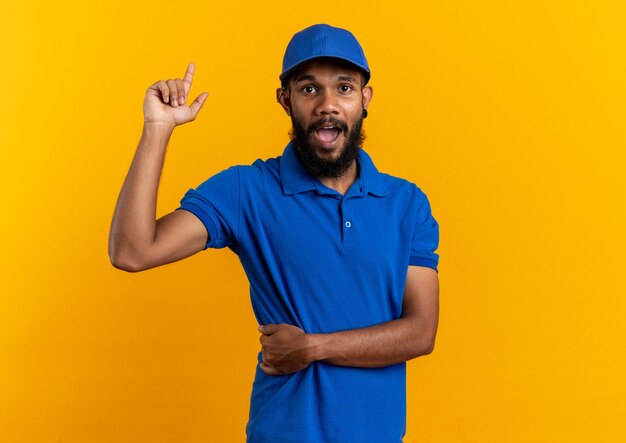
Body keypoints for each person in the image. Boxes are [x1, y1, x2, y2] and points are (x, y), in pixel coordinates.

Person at [109, 23, 440, 443]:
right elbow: (132, 252)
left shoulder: (407, 204)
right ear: (285, 101)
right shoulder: (246, 191)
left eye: (343, 88)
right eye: (308, 89)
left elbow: (421, 331)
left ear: (365, 99)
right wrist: (158, 129)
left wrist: (314, 347)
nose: (327, 105)